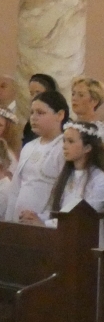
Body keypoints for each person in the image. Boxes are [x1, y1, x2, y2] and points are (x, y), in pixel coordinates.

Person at [28, 121, 104, 243]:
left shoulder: (99, 179)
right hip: (64, 237)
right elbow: (58, 210)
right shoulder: (67, 175)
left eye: (70, 141)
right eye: (64, 141)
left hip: (87, 239)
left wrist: (45, 224)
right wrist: (36, 217)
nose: (64, 146)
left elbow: (83, 216)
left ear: (87, 148)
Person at [5, 91, 68, 223]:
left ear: (60, 115)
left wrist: (44, 221)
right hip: (18, 221)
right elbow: (15, 188)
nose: (33, 117)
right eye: (32, 112)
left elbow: (65, 193)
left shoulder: (64, 148)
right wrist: (8, 221)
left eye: (40, 113)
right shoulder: (29, 147)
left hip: (43, 224)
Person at [22, 74, 58, 144]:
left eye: (38, 93)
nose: (33, 97)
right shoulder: (29, 126)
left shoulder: (61, 122)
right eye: (31, 93)